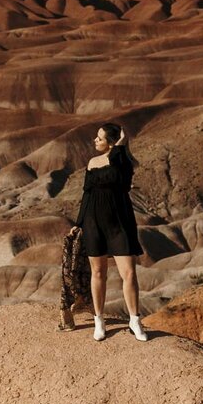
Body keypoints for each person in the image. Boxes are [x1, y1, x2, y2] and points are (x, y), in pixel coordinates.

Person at [76, 122, 147, 341]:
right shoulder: (91, 162)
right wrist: (78, 224)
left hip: (119, 222)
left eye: (99, 138)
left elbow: (122, 181)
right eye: (96, 137)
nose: (95, 141)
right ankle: (99, 321)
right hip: (93, 222)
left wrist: (121, 146)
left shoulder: (122, 161)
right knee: (98, 273)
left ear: (111, 143)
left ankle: (135, 320)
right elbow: (87, 194)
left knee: (129, 273)